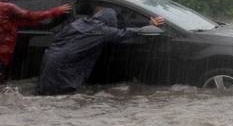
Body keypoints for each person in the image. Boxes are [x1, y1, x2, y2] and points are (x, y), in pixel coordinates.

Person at [37, 6, 165, 95]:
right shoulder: (101, 30)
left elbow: (59, 36)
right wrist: (149, 27)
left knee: (46, 92)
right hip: (65, 67)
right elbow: (123, 33)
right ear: (109, 21)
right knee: (61, 96)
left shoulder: (80, 22)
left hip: (50, 59)